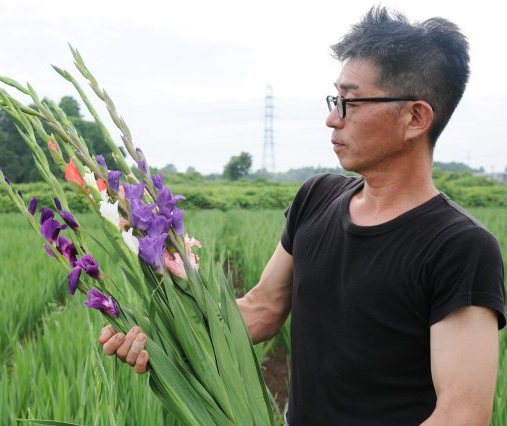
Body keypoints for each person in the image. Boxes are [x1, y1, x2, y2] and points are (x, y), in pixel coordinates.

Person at [99, 6, 506, 425]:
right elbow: (262, 308)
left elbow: (462, 414)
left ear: (415, 118)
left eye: (350, 102)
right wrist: (163, 336)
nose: (332, 118)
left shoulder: (460, 247)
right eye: (335, 100)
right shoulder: (317, 198)